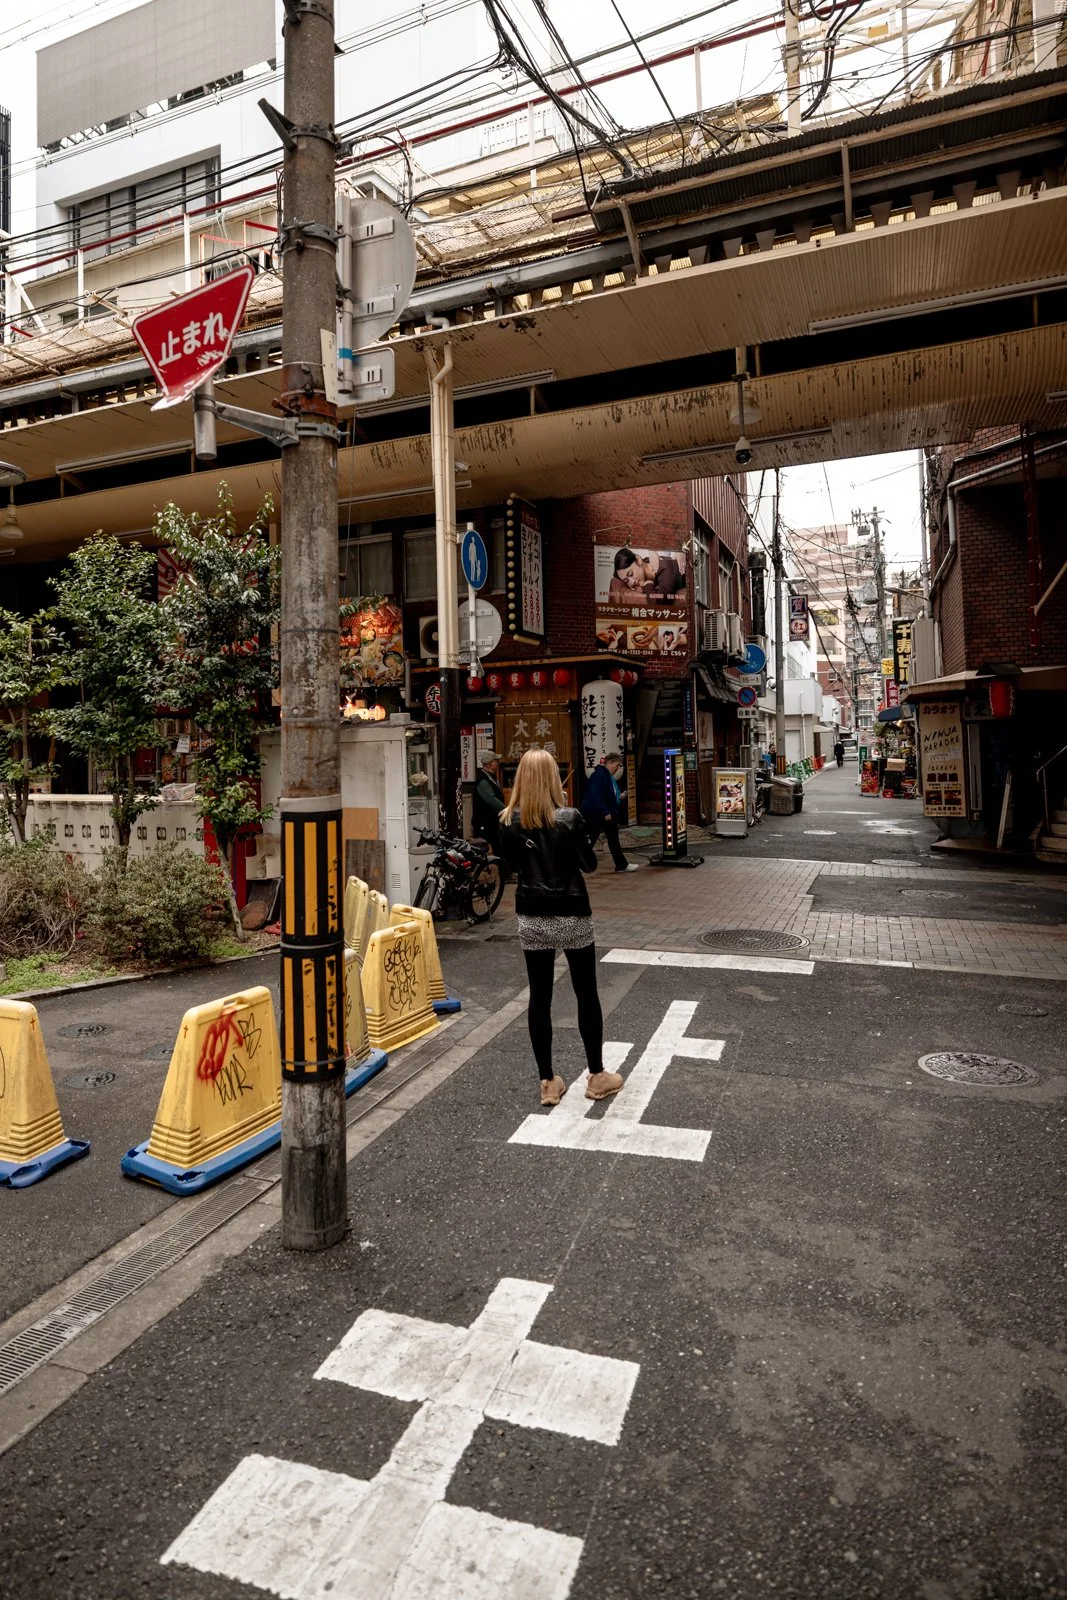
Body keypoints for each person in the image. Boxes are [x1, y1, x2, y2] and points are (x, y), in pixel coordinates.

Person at [499, 748, 623, 1107]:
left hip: (532, 914)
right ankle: (597, 1076)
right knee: (586, 993)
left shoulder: (507, 820)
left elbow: (511, 865)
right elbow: (590, 865)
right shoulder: (570, 818)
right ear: (554, 779)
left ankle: (548, 1083)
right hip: (571, 911)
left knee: (540, 997)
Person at [581, 752, 639, 872]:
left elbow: (609, 793)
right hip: (597, 813)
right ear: (610, 763)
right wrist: (605, 811)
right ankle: (579, 863)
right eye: (617, 765)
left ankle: (621, 865)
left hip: (607, 812)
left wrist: (619, 796)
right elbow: (596, 796)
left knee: (613, 840)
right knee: (590, 839)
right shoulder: (599, 775)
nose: (618, 768)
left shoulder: (606, 776)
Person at [472, 751, 505, 854]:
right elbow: (492, 800)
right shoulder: (483, 780)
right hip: (485, 822)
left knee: (497, 846)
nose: (498, 764)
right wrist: (507, 811)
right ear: (490, 763)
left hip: (491, 821)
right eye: (496, 761)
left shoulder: (491, 777)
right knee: (484, 849)